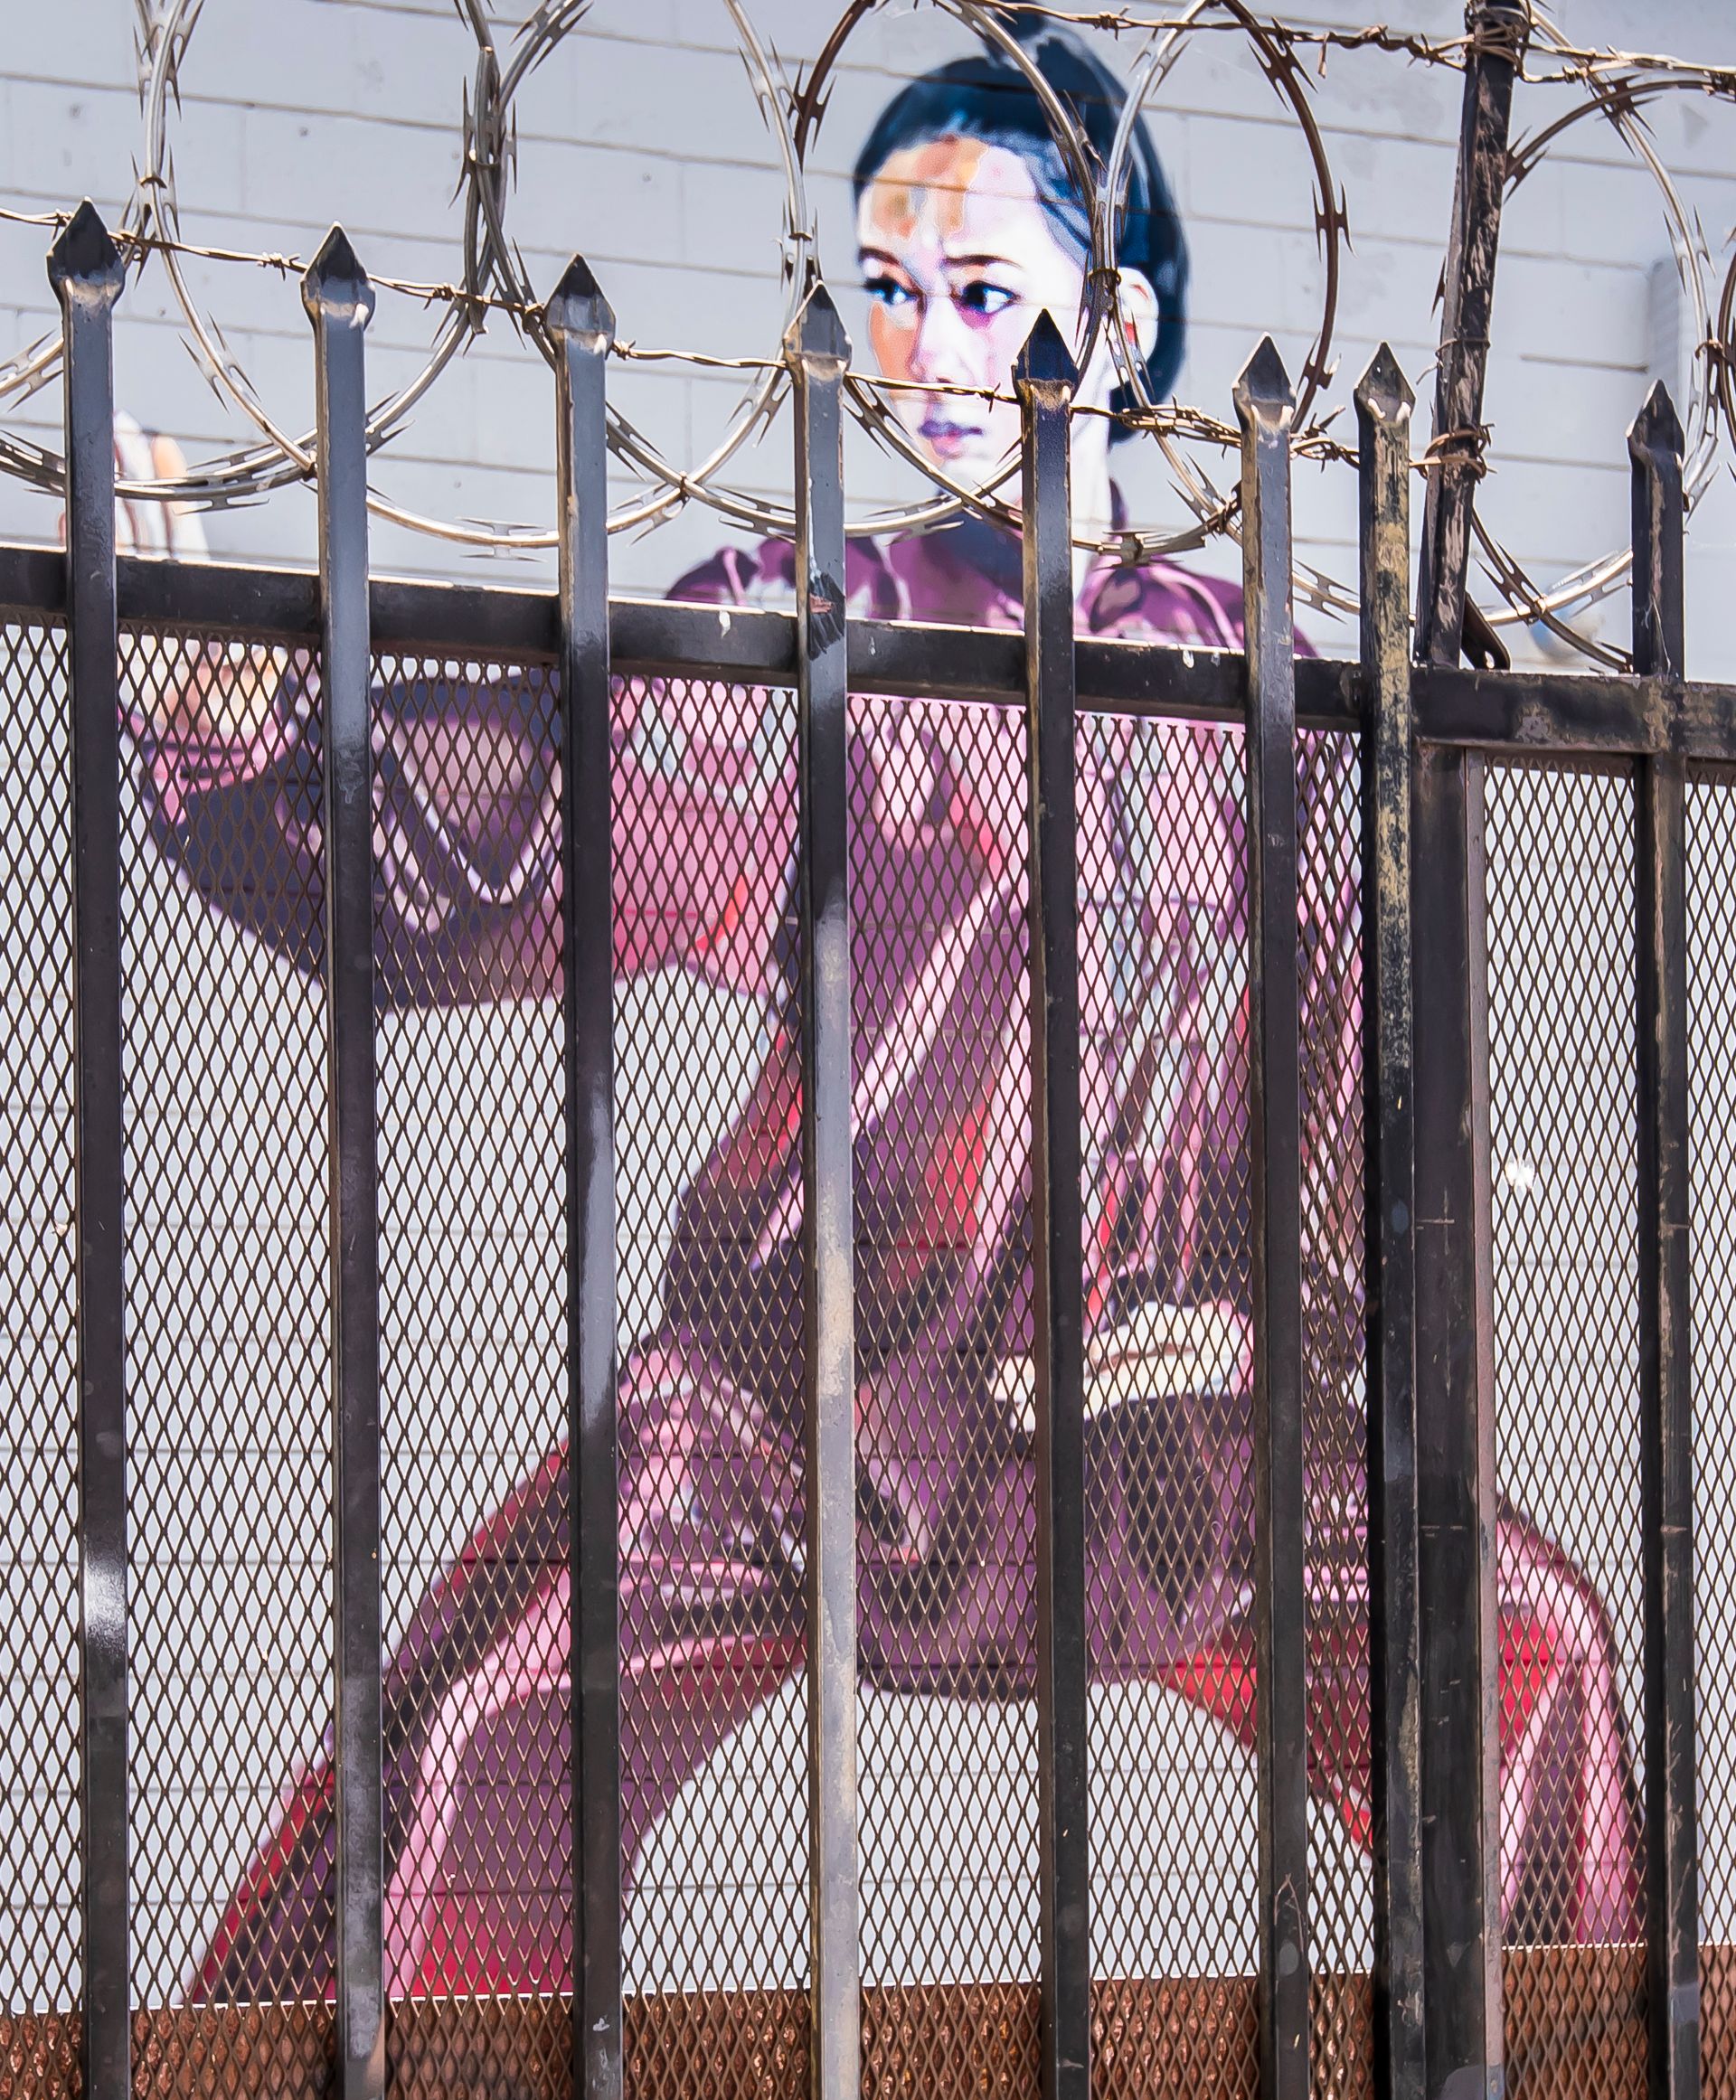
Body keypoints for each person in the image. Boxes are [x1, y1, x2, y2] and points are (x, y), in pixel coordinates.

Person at [122, 20, 1640, 1998]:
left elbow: (1358, 1079)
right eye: (887, 293)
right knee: (480, 1724)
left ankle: (1576, 2049)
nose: (924, 351)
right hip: (817, 1406)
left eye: (985, 295)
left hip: (1199, 1433)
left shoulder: (1266, 680)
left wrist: (1294, 1317)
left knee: (1531, 1652)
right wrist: (263, 755)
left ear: (1120, 324)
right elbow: (540, 837)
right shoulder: (801, 635)